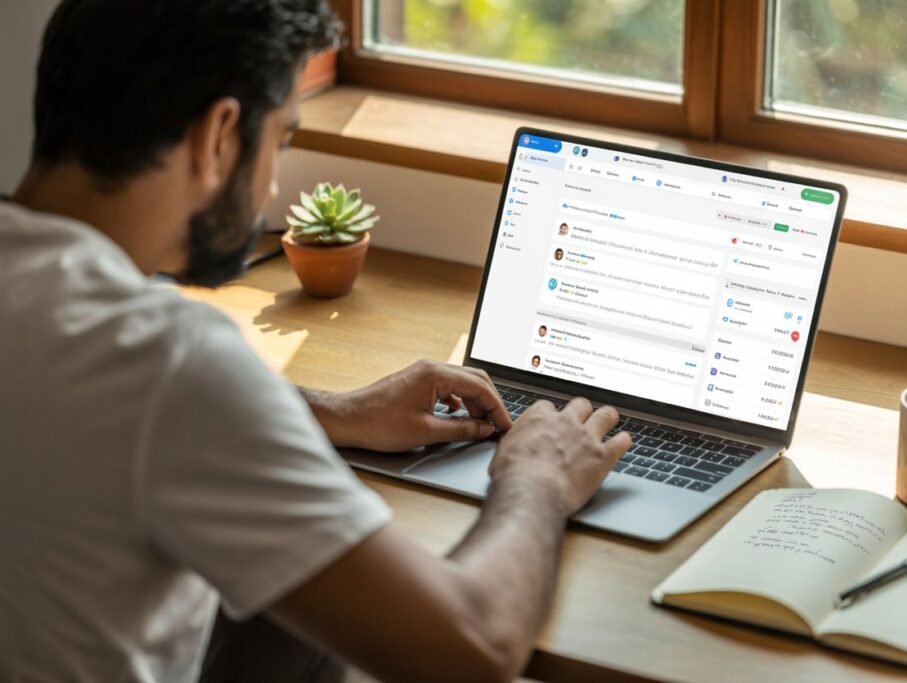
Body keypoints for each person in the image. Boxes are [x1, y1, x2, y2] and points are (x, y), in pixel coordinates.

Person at [0, 2, 631, 682]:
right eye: (282, 141)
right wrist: (537, 476)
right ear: (219, 135)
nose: (272, 184)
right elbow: (472, 646)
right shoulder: (166, 361)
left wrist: (332, 412)